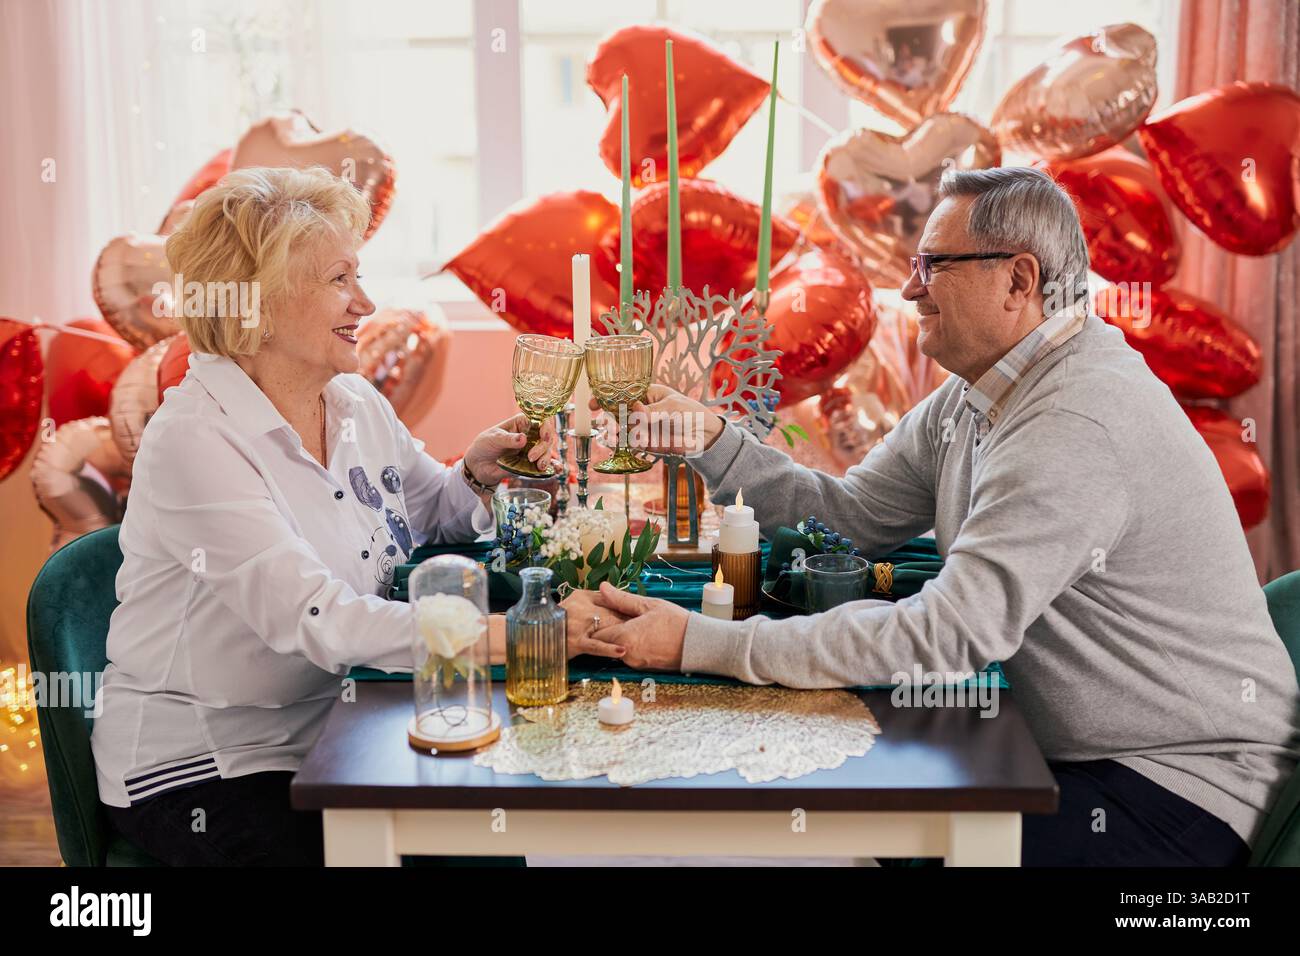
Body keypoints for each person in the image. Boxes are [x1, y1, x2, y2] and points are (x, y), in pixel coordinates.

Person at [585, 166, 1300, 866]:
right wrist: (711, 438)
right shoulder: (978, 394)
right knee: (832, 810)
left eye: (933, 265)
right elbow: (851, 514)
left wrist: (701, 645)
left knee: (840, 832)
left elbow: (946, 636)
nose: (907, 287)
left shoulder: (1077, 419)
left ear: (1019, 280)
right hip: (1086, 760)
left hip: (1179, 792)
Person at [91, 166, 619, 865]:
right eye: (340, 279)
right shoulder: (196, 440)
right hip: (210, 765)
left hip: (339, 718)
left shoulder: (352, 402)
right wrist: (525, 638)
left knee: (485, 840)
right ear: (259, 302)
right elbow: (322, 620)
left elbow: (428, 510)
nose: (365, 302)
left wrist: (478, 475)